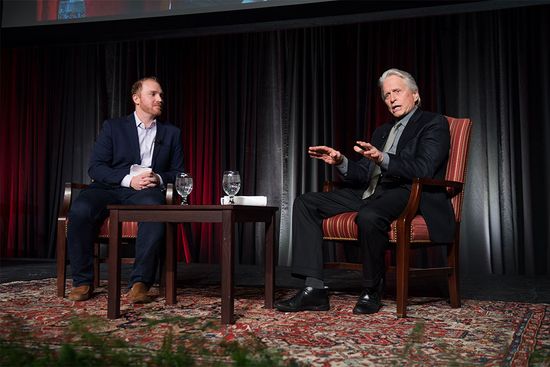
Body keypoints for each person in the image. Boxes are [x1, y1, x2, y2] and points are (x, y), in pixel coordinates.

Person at [274, 68, 455, 314]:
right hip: (370, 192)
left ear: (415, 95)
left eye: (397, 92)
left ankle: (372, 289)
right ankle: (314, 290)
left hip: (407, 191)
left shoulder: (433, 123)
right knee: (306, 202)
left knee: (369, 215)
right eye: (387, 95)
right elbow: (364, 173)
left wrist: (383, 158)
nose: (391, 98)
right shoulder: (382, 131)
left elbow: (423, 167)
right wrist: (341, 161)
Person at [67, 77, 185, 303]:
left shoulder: (172, 133)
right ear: (136, 98)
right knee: (80, 209)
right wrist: (128, 180)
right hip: (110, 187)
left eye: (161, 95)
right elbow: (96, 167)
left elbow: (179, 173)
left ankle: (140, 283)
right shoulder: (113, 127)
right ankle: (82, 282)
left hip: (146, 191)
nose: (160, 99)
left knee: (155, 209)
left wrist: (158, 177)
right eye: (153, 94)